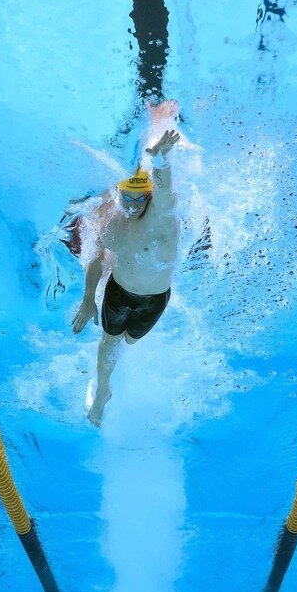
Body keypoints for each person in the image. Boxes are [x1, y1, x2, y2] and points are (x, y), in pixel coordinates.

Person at [72, 116, 183, 426]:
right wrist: (87, 299)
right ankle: (103, 392)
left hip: (154, 299)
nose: (133, 205)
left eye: (140, 198)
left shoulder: (162, 218)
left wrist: (161, 159)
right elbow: (95, 255)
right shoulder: (115, 222)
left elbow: (164, 187)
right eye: (127, 197)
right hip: (118, 292)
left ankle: (117, 359)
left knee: (129, 342)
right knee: (109, 341)